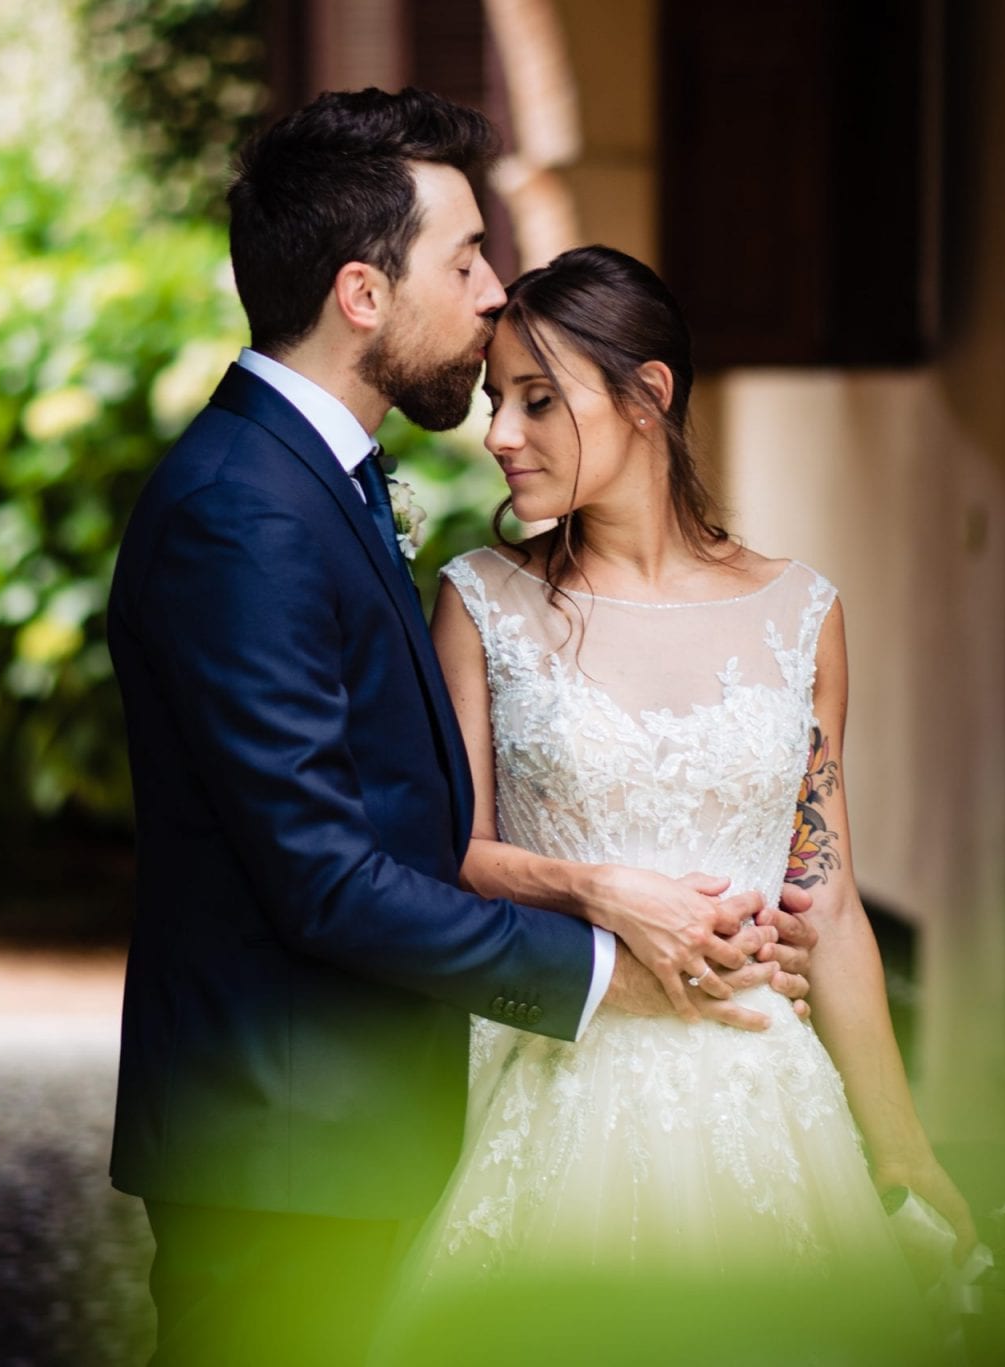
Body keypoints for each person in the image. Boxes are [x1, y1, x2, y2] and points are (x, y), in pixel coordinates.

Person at [104, 91, 818, 1366]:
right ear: (362, 294)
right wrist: (605, 964)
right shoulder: (245, 511)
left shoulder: (307, 482)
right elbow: (321, 875)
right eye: (466, 258)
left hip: (342, 1141)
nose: (494, 292)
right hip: (282, 1154)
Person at [390, 244, 976, 1313]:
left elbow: (826, 892)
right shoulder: (476, 600)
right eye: (492, 400)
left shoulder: (801, 611)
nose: (499, 433)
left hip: (762, 1091)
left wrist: (901, 1151)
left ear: (646, 394)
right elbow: (450, 855)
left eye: (536, 400)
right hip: (562, 1084)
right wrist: (599, 891)